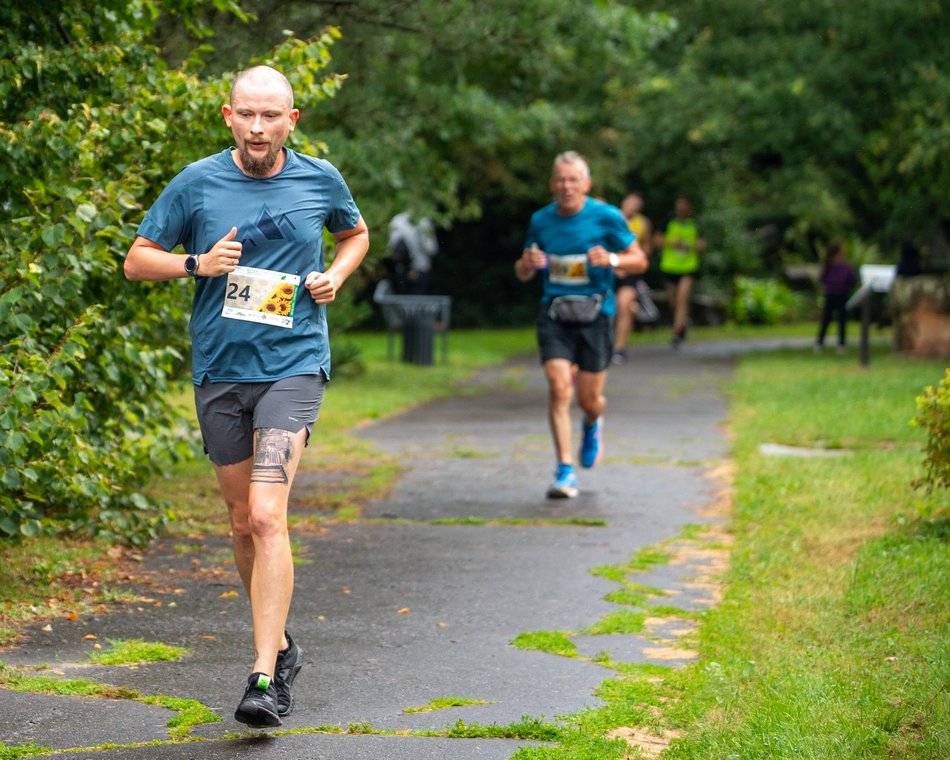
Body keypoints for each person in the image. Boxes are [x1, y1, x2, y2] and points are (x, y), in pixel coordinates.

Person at [124, 65, 369, 728]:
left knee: (266, 516)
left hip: (293, 367)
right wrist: (196, 264)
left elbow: (356, 233)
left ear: (294, 120)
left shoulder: (320, 178)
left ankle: (263, 676)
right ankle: (284, 645)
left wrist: (336, 277)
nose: (259, 127)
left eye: (272, 116)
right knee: (239, 524)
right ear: (227, 115)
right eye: (248, 115)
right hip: (221, 372)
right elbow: (136, 258)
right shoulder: (197, 182)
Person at [515, 151, 648, 499]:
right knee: (560, 388)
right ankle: (564, 471)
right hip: (555, 313)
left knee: (590, 399)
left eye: (573, 179)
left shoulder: (606, 217)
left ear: (586, 184)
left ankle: (592, 423)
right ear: (552, 184)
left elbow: (641, 260)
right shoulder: (541, 221)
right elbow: (524, 271)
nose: (567, 186)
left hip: (595, 316)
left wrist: (613, 258)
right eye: (560, 179)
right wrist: (527, 264)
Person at [655, 196, 705, 347]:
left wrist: (691, 246)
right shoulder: (668, 222)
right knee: (673, 302)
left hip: (688, 267)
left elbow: (702, 244)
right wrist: (672, 243)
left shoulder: (694, 224)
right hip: (670, 267)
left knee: (682, 298)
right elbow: (656, 240)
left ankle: (677, 332)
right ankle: (682, 322)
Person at [612, 191, 653, 365]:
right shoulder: (611, 218)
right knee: (611, 309)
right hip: (610, 270)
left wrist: (632, 263)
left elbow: (647, 248)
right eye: (631, 202)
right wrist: (614, 264)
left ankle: (620, 348)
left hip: (630, 273)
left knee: (625, 306)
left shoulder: (643, 223)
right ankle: (603, 343)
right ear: (624, 202)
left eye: (637, 204)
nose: (633, 207)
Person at [815, 241, 858, 354]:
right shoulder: (830, 266)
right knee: (827, 319)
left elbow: (853, 280)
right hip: (833, 295)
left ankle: (841, 344)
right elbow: (822, 279)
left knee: (841, 321)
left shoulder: (843, 267)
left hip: (839, 295)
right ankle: (820, 343)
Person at [387, 211, 439, 294]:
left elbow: (391, 248)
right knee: (418, 303)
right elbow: (431, 249)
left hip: (400, 271)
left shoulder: (396, 220)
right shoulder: (424, 221)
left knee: (401, 302)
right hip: (420, 270)